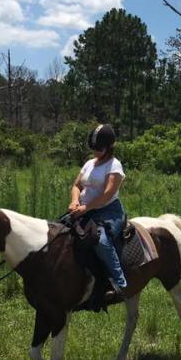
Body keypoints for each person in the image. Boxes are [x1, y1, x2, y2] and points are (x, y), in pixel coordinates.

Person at [69, 124, 127, 302]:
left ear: (109, 147)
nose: (95, 151)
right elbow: (77, 185)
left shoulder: (114, 165)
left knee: (101, 241)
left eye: (99, 148)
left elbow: (107, 194)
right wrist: (75, 201)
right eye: (93, 148)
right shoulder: (89, 164)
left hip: (108, 211)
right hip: (85, 209)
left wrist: (86, 207)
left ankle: (119, 284)